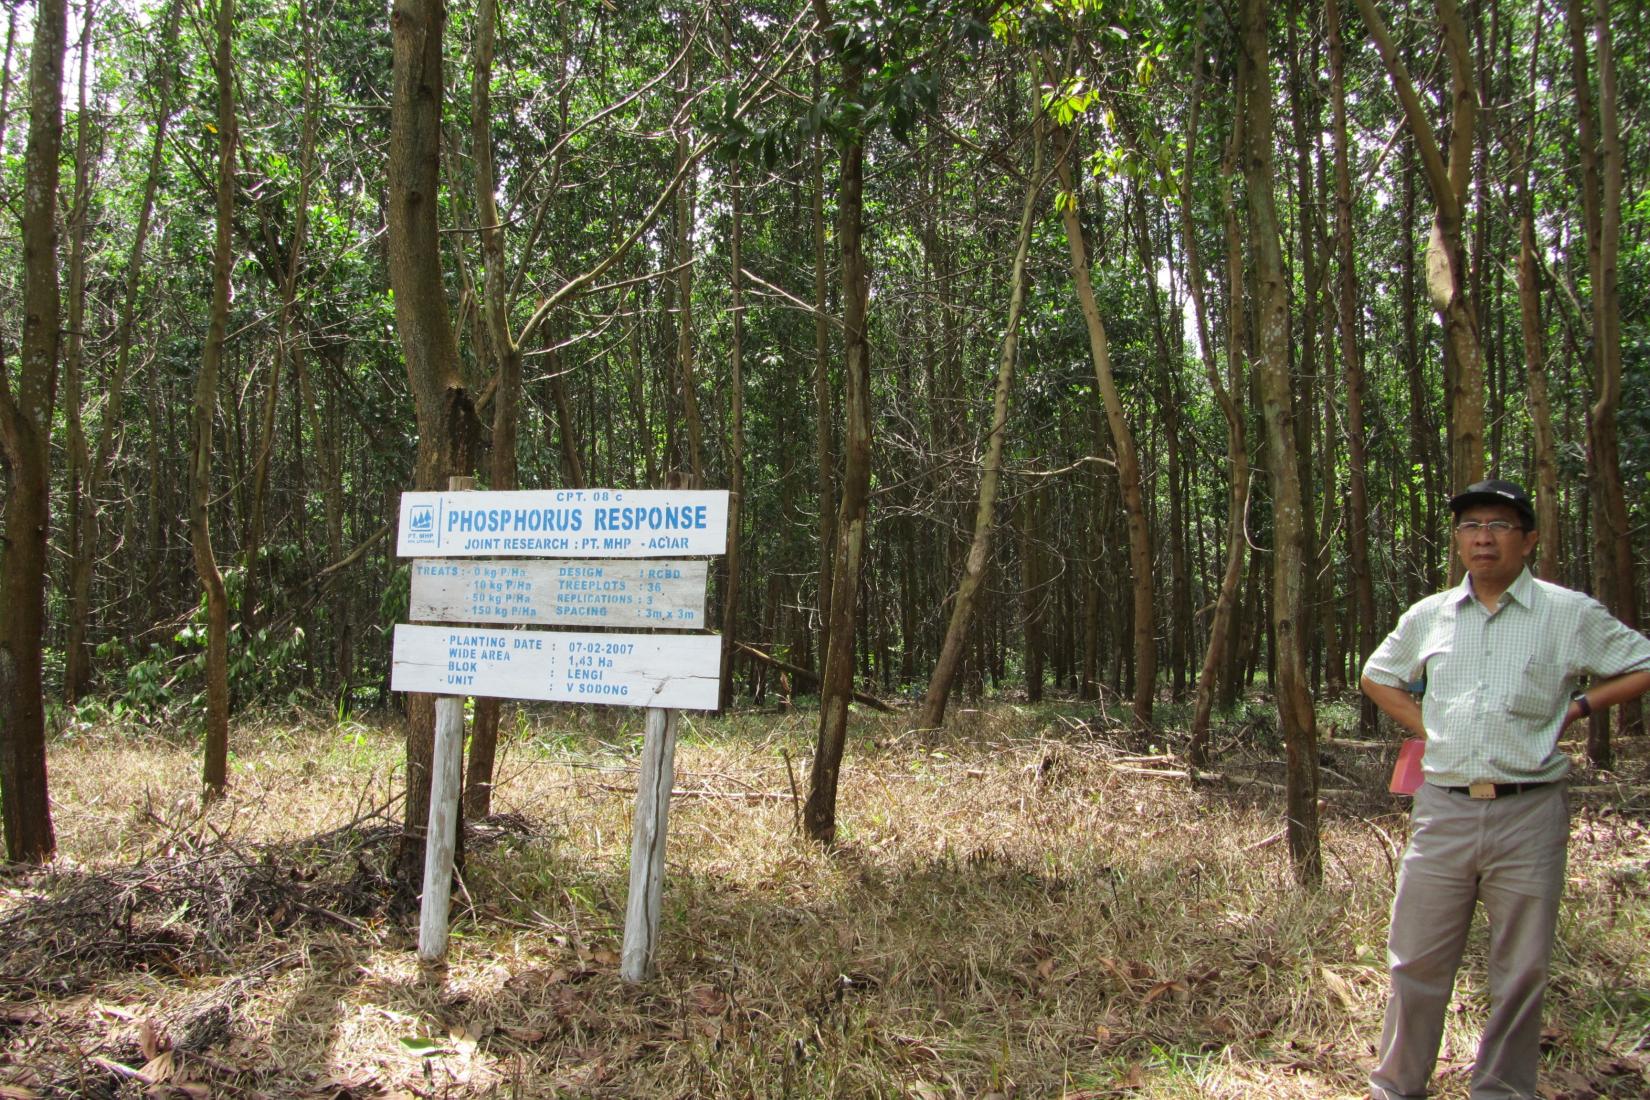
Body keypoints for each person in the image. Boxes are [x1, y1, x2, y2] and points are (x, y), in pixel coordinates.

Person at [1360, 478, 1650, 1099]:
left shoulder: (1567, 613)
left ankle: (1500, 1091)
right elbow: (1377, 675)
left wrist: (1581, 707)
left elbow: (1642, 662)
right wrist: (1428, 727)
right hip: (1444, 809)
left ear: (1529, 539)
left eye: (1498, 525)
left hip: (1530, 811)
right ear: (1459, 541)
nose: (1483, 537)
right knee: (1416, 961)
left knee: (1520, 970)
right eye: (1469, 526)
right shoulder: (1429, 615)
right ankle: (1396, 1088)